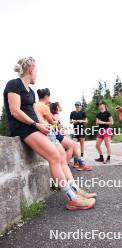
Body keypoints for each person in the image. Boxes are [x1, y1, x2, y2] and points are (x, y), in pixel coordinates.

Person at [3, 57, 96, 210]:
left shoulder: (31, 91)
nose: (37, 74)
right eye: (36, 71)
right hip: (24, 129)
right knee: (54, 156)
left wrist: (46, 126)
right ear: (31, 70)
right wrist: (36, 124)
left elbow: (35, 113)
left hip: (37, 126)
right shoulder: (13, 84)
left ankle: (76, 191)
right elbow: (15, 110)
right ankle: (71, 198)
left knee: (60, 154)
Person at [36, 95, 92, 171]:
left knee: (76, 144)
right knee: (73, 145)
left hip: (62, 132)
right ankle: (68, 164)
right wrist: (61, 128)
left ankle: (76, 162)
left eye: (78, 105)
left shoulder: (50, 112)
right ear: (57, 107)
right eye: (76, 105)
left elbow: (55, 124)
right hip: (54, 133)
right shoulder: (54, 114)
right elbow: (55, 125)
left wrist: (81, 121)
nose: (77, 106)